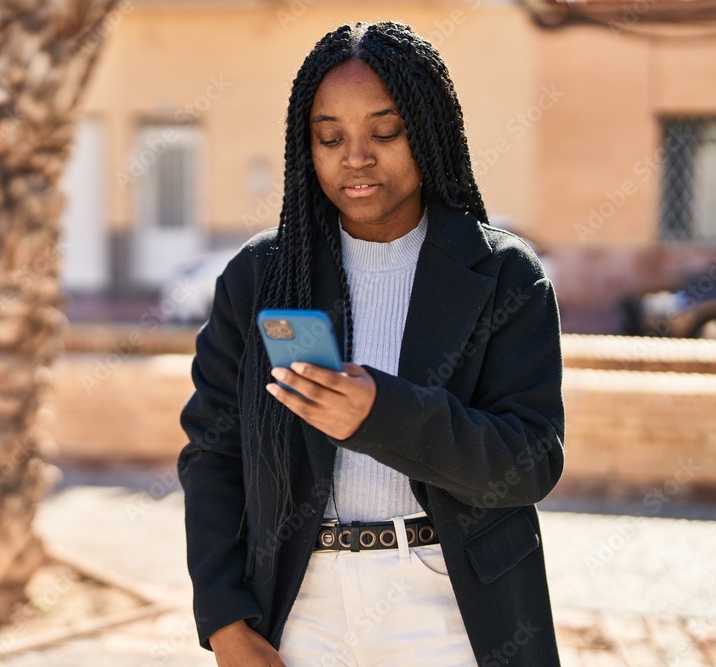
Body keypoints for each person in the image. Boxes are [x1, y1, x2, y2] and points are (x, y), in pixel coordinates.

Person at [177, 20, 565, 667]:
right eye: (330, 137)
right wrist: (223, 619)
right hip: (301, 606)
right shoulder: (260, 278)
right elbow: (212, 456)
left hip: (447, 602)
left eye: (385, 132)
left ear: (428, 132)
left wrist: (381, 415)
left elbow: (529, 461)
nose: (356, 156)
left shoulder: (505, 276)